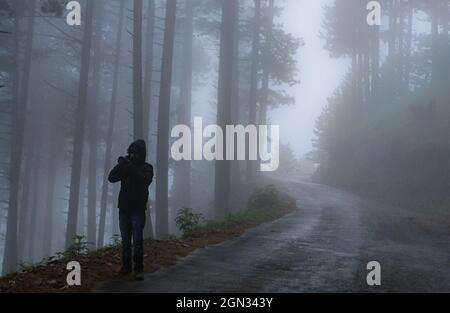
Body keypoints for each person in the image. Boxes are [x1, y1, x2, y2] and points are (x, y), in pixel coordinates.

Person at [108, 140, 154, 281]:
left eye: (136, 152)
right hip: (124, 208)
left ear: (142, 153)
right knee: (126, 240)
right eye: (131, 151)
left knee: (138, 240)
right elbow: (111, 178)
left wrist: (130, 166)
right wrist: (120, 165)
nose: (133, 154)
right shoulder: (126, 166)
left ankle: (138, 269)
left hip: (138, 210)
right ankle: (126, 267)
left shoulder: (147, 167)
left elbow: (144, 181)